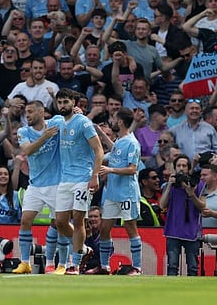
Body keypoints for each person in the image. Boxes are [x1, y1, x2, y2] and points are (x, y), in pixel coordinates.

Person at [54, 88, 104, 275]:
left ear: (74, 103)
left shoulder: (83, 123)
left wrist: (94, 175)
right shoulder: (59, 122)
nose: (62, 105)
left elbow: (98, 150)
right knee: (59, 222)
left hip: (83, 177)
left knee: (78, 218)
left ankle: (74, 263)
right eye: (59, 102)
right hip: (65, 178)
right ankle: (83, 249)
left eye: (66, 102)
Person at [87, 107, 142, 275]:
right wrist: (100, 133)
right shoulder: (120, 140)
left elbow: (132, 169)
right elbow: (114, 151)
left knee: (130, 227)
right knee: (104, 228)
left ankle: (137, 267)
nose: (112, 121)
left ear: (120, 121)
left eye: (114, 118)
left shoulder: (133, 143)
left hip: (127, 193)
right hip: (112, 193)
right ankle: (104, 266)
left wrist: (111, 171)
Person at [12, 101, 62, 274]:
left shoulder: (56, 124)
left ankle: (50, 262)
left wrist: (77, 113)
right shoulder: (23, 131)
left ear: (42, 113)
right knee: (25, 220)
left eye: (31, 112)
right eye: (26, 112)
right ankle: (25, 262)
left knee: (57, 223)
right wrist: (45, 137)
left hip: (56, 183)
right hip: (35, 184)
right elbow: (28, 150)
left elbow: (72, 121)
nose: (27, 115)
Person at [160, 154, 206, 276]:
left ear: (188, 168)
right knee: (172, 267)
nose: (181, 168)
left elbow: (202, 206)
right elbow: (161, 205)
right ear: (174, 168)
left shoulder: (197, 184)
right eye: (178, 165)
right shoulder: (170, 185)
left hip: (191, 231)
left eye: (184, 166)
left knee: (193, 268)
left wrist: (190, 193)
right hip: (173, 230)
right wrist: (169, 185)